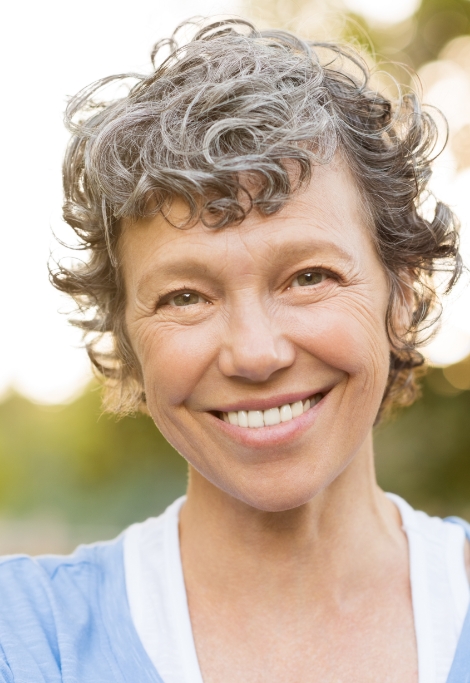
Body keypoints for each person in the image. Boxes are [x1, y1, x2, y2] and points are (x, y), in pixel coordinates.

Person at [0, 17, 468, 683]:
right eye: (185, 296)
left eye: (310, 277)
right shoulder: (24, 640)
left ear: (403, 294)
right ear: (126, 339)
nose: (255, 353)